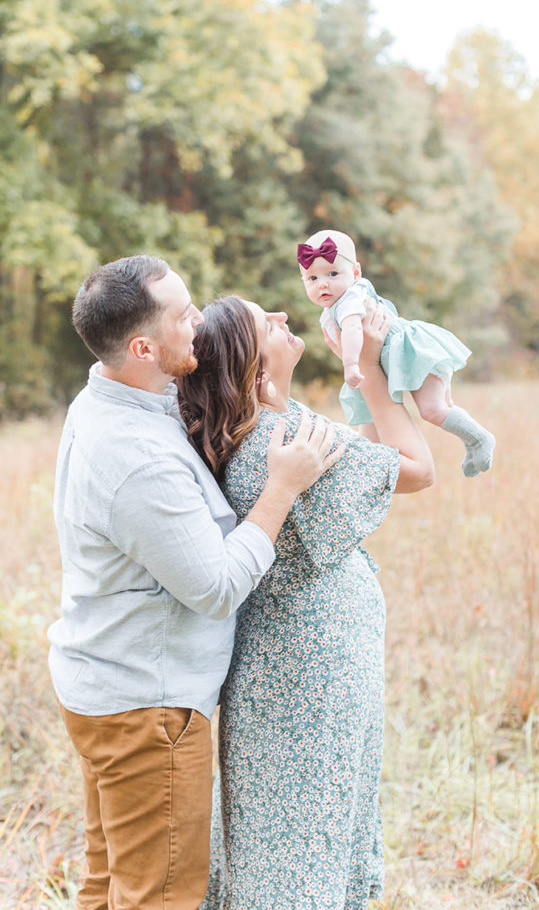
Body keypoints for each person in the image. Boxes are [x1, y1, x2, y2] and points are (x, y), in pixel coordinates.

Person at [47, 255, 345, 910]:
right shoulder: (134, 457)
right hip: (146, 709)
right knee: (160, 896)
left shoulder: (112, 394)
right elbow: (213, 587)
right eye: (184, 315)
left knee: (109, 883)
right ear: (142, 347)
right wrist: (280, 489)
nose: (199, 321)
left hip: (104, 683)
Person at [176, 295, 434, 910]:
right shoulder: (283, 439)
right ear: (250, 364)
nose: (285, 320)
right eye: (268, 321)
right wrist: (370, 367)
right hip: (309, 672)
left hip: (280, 662)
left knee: (280, 825)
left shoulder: (262, 429)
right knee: (305, 827)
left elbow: (366, 448)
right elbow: (417, 467)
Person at [297, 229, 496, 477]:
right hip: (394, 358)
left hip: (410, 351)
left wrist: (350, 366)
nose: (323, 283)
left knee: (433, 409)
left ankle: (479, 440)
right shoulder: (331, 309)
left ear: (356, 273)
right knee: (431, 409)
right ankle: (471, 440)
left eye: (333, 273)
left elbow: (351, 331)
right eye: (312, 278)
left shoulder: (350, 299)